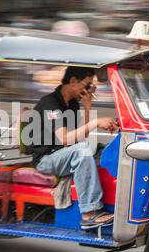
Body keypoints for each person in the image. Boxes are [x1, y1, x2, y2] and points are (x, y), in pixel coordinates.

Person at [30, 66, 118, 229]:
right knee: (82, 151)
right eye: (87, 85)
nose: (89, 90)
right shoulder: (50, 104)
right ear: (72, 81)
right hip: (46, 159)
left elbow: (80, 136)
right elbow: (65, 139)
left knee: (108, 150)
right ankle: (89, 213)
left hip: (65, 153)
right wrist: (96, 122)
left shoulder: (72, 105)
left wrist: (87, 105)